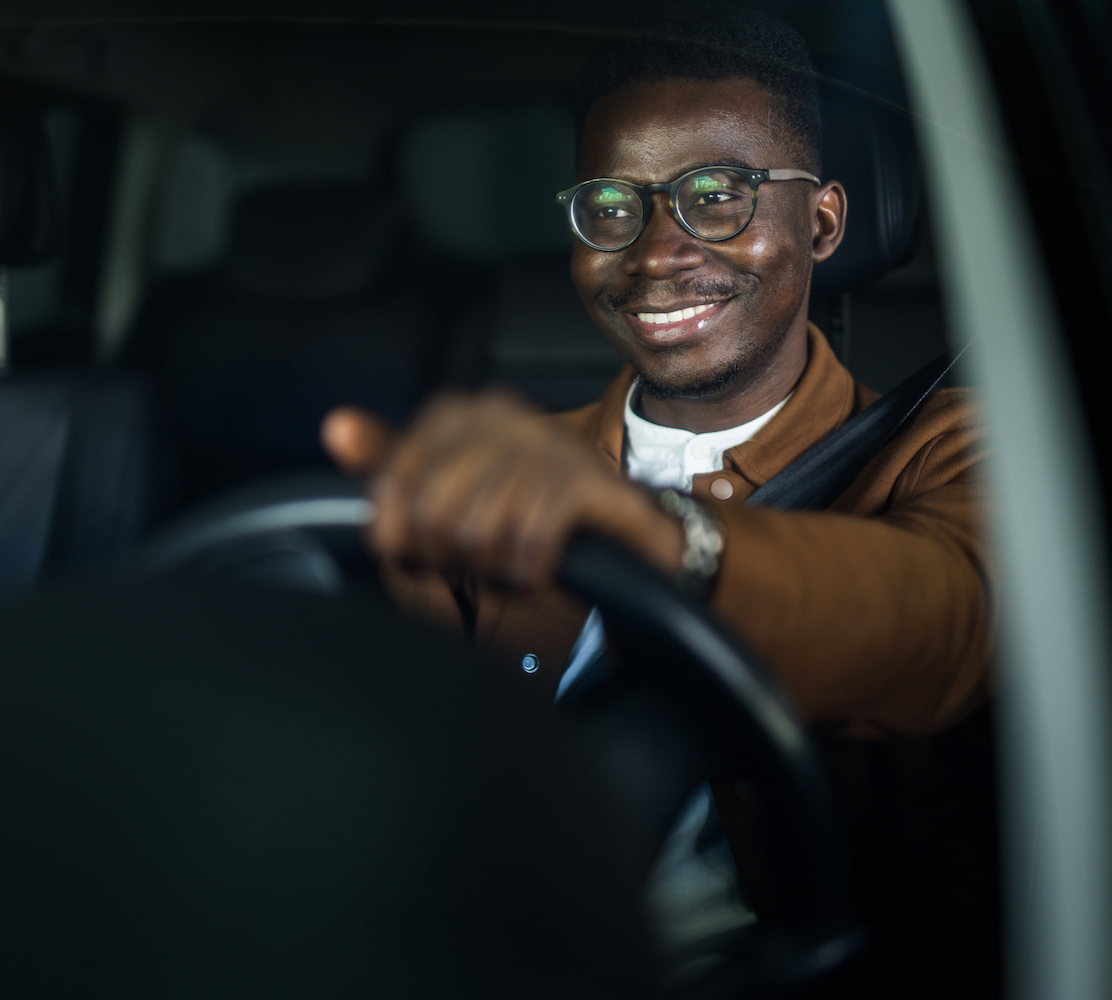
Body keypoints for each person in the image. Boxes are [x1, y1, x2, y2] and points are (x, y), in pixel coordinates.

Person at [320, 9, 996, 982]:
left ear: (823, 221)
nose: (653, 252)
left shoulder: (947, 447)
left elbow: (944, 613)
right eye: (609, 205)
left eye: (717, 195)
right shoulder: (521, 470)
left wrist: (669, 538)